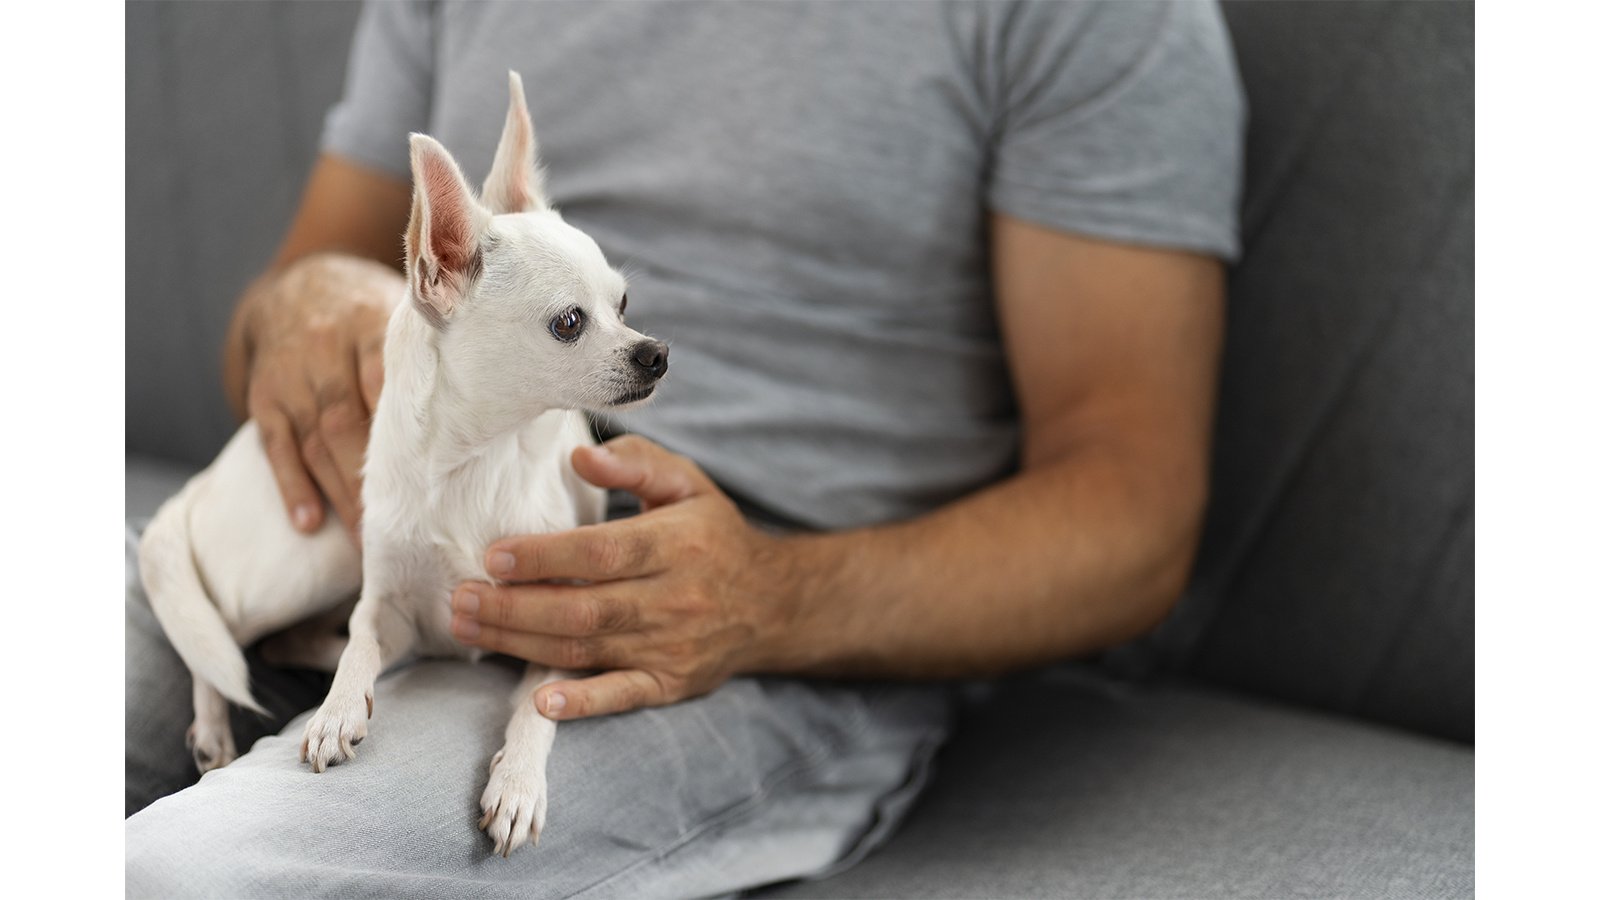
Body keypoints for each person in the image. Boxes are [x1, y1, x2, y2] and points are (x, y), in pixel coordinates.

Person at [126, 1, 1243, 896]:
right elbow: (277, 314)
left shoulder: (1103, 21)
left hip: (759, 620)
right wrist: (306, 304)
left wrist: (768, 600)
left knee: (188, 876)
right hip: (379, 519)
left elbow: (1135, 514)